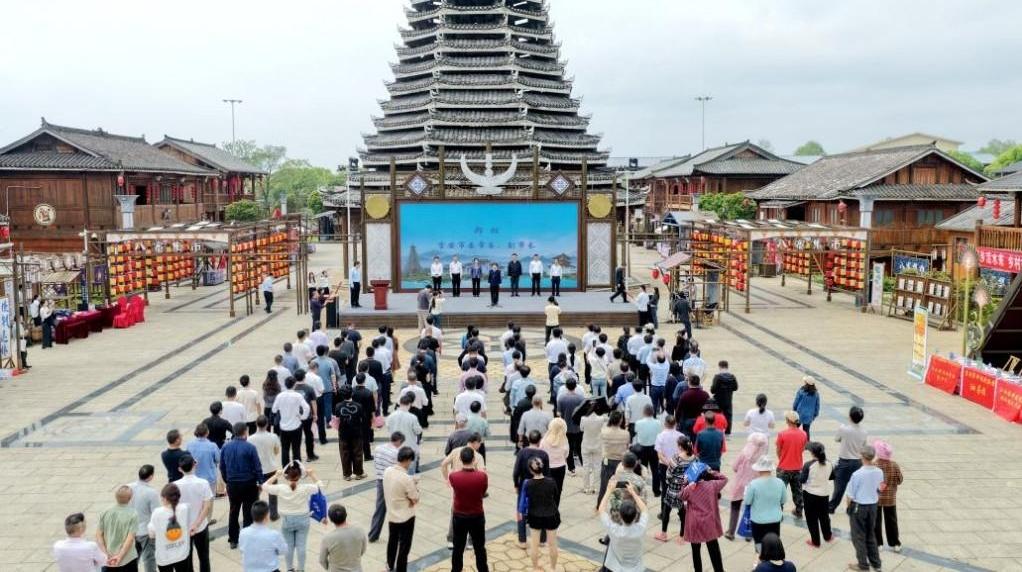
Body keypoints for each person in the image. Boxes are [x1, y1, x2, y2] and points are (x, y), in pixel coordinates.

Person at [261, 462, 323, 572]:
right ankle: (301, 569)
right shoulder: (306, 488)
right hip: (303, 519)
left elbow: (264, 486)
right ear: (300, 476)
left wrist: (276, 475)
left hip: (286, 520)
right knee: (301, 546)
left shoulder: (281, 488)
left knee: (288, 546)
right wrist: (311, 474)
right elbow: (320, 487)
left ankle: (290, 569)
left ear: (287, 477)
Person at [219, 422, 263, 550]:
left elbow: (222, 466)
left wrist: (227, 480)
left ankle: (233, 539)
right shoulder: (250, 447)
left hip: (233, 484)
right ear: (245, 432)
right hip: (249, 484)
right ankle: (247, 538)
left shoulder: (225, 447)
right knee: (248, 512)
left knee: (233, 511)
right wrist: (260, 482)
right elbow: (257, 467)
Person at [449, 447, 490, 572]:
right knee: (479, 548)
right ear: (474, 459)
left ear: (460, 459)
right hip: (477, 515)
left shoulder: (454, 476)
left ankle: (456, 570)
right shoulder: (482, 477)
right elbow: (483, 492)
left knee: (458, 548)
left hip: (459, 516)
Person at [682, 466, 729, 572]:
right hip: (709, 523)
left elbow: (681, 495)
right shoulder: (712, 485)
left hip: (694, 523)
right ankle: (719, 570)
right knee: (713, 548)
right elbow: (724, 478)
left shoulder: (690, 488)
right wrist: (711, 472)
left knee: (695, 550)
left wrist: (684, 483)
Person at [846, 445, 885, 572]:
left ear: (862, 457)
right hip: (873, 506)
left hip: (859, 507)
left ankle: (863, 564)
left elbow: (850, 495)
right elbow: (880, 489)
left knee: (858, 536)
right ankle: (876, 563)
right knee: (870, 535)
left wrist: (849, 509)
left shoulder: (857, 474)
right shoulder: (879, 472)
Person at [724, 433, 769, 541]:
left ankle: (731, 532)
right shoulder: (763, 459)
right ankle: (748, 533)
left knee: (735, 506)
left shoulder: (744, 454)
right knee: (751, 508)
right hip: (755, 486)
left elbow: (734, 467)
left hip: (740, 484)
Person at [598, 478, 648, 572]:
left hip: (616, 568)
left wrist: (609, 490)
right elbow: (644, 509)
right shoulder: (641, 528)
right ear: (635, 515)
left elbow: (601, 509)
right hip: (636, 569)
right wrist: (633, 493)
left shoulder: (614, 529)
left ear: (620, 515)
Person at [174, 455, 213, 572]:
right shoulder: (203, 483)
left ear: (180, 469)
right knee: (204, 556)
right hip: (200, 526)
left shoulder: (174, 486)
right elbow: (207, 507)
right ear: (194, 465)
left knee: (186, 558)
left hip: (183, 527)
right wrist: (196, 524)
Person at [741, 456, 788, 553]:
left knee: (759, 543)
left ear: (758, 469)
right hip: (775, 519)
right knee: (773, 543)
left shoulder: (753, 484)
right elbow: (783, 500)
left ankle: (761, 559)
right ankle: (771, 558)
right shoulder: (780, 482)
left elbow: (747, 501)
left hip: (758, 520)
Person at [383, 446, 419, 572]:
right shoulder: (406, 479)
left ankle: (389, 564)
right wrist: (414, 485)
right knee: (404, 546)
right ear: (407, 460)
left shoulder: (387, 471)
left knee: (392, 541)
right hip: (406, 517)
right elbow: (415, 498)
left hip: (392, 514)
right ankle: (401, 569)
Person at [522, 457, 561, 571]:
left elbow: (526, 499)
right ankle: (553, 568)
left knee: (534, 545)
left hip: (534, 515)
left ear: (531, 470)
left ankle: (535, 568)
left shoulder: (528, 484)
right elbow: (556, 496)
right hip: (551, 514)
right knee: (552, 544)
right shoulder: (551, 482)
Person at [368, 432, 405, 543]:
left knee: (379, 509)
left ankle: (373, 535)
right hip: (392, 483)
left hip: (380, 480)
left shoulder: (378, 448)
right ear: (399, 441)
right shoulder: (396, 453)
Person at [830, 406, 868, 513]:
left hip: (844, 462)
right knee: (855, 486)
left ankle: (832, 507)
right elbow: (864, 446)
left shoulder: (844, 429)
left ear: (850, 416)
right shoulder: (864, 432)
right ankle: (851, 508)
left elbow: (837, 439)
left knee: (839, 487)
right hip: (858, 462)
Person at [659, 435, 696, 542]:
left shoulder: (676, 458)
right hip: (686, 490)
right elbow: (694, 473)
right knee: (683, 513)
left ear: (680, 446)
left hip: (673, 489)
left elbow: (669, 474)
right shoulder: (694, 458)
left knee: (666, 511)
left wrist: (670, 482)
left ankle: (663, 534)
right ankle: (682, 536)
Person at [147, 484, 190, 572]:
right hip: (182, 553)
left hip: (164, 556)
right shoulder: (185, 508)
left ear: (165, 498)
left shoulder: (157, 513)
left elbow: (151, 534)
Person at [97, 486, 139, 572]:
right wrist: (119, 556)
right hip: (127, 559)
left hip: (108, 559)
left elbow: (98, 534)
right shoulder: (133, 514)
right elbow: (130, 539)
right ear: (130, 498)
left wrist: (105, 554)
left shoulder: (105, 511)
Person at [237, 501, 287, 572]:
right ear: (266, 516)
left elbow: (242, 549)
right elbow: (283, 550)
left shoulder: (243, 532)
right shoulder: (274, 534)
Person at [776, 411, 809, 519]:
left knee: (780, 492)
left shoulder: (782, 434)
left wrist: (782, 459)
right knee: (798, 491)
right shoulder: (804, 434)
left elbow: (778, 450)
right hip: (798, 468)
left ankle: (778, 513)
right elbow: (803, 449)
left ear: (788, 421)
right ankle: (799, 510)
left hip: (783, 468)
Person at [248, 416, 281, 520]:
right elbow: (276, 451)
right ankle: (274, 514)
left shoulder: (250, 439)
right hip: (271, 468)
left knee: (255, 494)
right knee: (272, 493)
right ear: (267, 424)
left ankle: (255, 514)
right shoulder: (273, 436)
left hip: (257, 470)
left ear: (256, 424)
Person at [273, 376, 311, 467]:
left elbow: (274, 409)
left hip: (284, 426)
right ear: (294, 385)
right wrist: (303, 417)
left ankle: (286, 468)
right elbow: (306, 407)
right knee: (296, 449)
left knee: (285, 449)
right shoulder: (298, 395)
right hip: (296, 426)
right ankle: (297, 468)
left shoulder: (280, 396)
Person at [129, 465, 161, 572]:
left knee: (132, 558)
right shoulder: (152, 493)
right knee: (149, 559)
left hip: (130, 530)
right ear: (151, 476)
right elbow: (156, 513)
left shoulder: (128, 487)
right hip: (145, 531)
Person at [801, 441, 834, 547]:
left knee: (812, 518)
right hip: (824, 494)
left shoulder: (808, 465)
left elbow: (802, 480)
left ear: (812, 453)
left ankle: (815, 542)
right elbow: (832, 477)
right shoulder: (829, 463)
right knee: (824, 516)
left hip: (810, 495)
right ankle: (828, 536)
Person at [873, 440, 903, 553]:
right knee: (891, 521)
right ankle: (895, 543)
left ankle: (878, 543)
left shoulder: (874, 465)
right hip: (890, 499)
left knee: (876, 520)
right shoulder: (894, 465)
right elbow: (900, 480)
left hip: (876, 498)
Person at [320, 503, 367, 572]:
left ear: (331, 520)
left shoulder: (327, 538)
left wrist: (330, 568)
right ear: (346, 515)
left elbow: (322, 560)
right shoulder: (359, 530)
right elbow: (363, 550)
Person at [597, 411, 630, 509]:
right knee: (621, 487)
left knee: (604, 487)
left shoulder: (604, 431)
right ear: (620, 420)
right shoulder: (626, 434)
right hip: (621, 463)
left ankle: (600, 506)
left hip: (607, 461)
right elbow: (627, 447)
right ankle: (621, 507)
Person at [386, 394, 423, 472]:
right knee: (410, 472)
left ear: (400, 403)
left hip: (395, 448)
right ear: (410, 404)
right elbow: (418, 431)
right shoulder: (412, 417)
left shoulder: (391, 416)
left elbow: (388, 428)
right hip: (409, 447)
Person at [556, 377, 585, 474]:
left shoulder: (561, 398)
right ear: (575, 386)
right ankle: (584, 465)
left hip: (566, 427)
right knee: (580, 447)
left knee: (569, 448)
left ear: (566, 386)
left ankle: (571, 468)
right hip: (579, 426)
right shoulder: (581, 398)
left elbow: (558, 414)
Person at [633, 404, 661, 493]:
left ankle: (641, 488)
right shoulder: (658, 423)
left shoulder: (638, 423)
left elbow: (636, 432)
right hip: (654, 448)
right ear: (653, 412)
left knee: (641, 469)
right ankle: (656, 490)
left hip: (642, 448)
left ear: (643, 412)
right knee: (655, 470)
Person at [579, 405, 606, 495]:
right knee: (597, 466)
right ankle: (595, 487)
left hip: (586, 444)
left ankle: (586, 487)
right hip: (597, 444)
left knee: (586, 466)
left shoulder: (583, 418)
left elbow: (581, 429)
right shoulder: (601, 419)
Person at [541, 417, 570, 497]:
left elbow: (541, 453)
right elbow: (566, 454)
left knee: (547, 489)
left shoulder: (544, 440)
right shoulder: (564, 441)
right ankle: (556, 504)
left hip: (547, 467)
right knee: (558, 489)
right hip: (560, 467)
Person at [710, 360, 738, 433]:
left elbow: (713, 390)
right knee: (728, 416)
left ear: (720, 367)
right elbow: (735, 388)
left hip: (718, 400)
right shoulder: (732, 377)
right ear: (727, 367)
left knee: (716, 415)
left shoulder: (717, 377)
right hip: (728, 399)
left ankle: (716, 430)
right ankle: (727, 431)